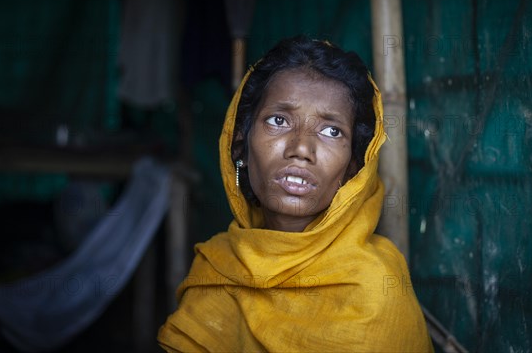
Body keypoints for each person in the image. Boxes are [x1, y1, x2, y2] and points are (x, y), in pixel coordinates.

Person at [158, 36, 432, 352]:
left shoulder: (376, 289)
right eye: (279, 120)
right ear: (240, 146)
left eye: (332, 131)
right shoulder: (217, 269)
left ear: (355, 167)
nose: (301, 148)